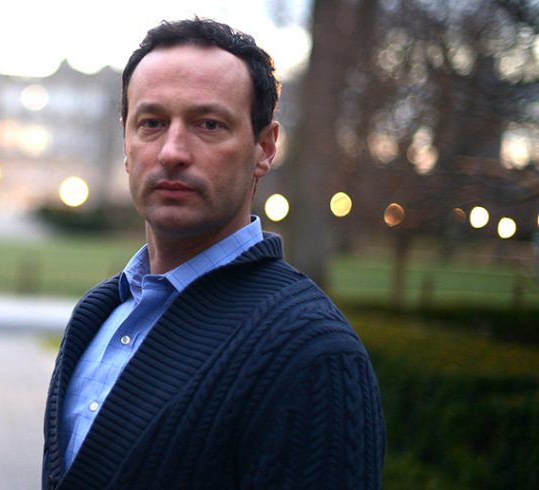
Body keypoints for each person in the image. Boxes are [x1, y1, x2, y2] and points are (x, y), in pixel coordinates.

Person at [42, 17, 385, 489]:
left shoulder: (313, 354)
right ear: (126, 142)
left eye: (208, 124)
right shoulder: (98, 315)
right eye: (152, 123)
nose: (172, 152)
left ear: (264, 148)